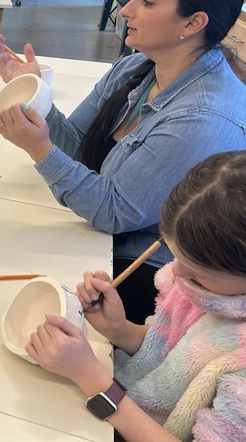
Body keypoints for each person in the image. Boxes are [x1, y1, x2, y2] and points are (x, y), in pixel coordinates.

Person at [0, 0, 246, 324]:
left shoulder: (202, 118)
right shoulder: (138, 67)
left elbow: (113, 213)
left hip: (153, 268)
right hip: (103, 232)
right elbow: (79, 146)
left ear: (193, 23)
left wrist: (40, 149)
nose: (126, 10)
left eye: (148, 1)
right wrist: (34, 97)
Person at [25, 151, 246, 442]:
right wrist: (119, 329)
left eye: (198, 271)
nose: (176, 271)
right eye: (175, 255)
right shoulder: (212, 291)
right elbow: (174, 352)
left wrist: (93, 380)